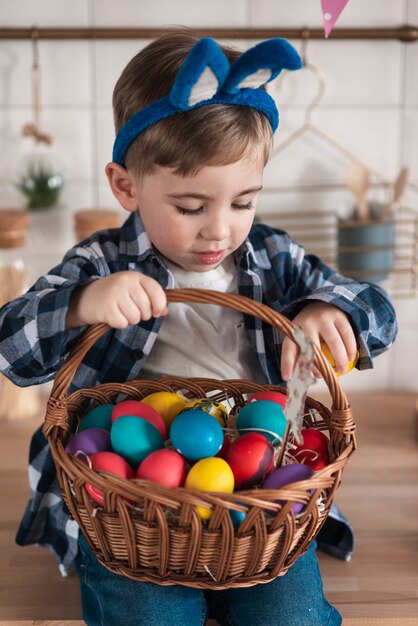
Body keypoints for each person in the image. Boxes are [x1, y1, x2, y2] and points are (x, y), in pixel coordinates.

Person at [0, 30, 396, 626]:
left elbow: (375, 307)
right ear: (126, 186)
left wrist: (327, 310)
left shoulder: (274, 257)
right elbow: (12, 344)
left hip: (255, 499)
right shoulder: (102, 262)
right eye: (190, 207)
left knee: (290, 616)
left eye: (243, 203)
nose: (219, 230)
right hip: (133, 508)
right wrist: (83, 301)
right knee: (148, 612)